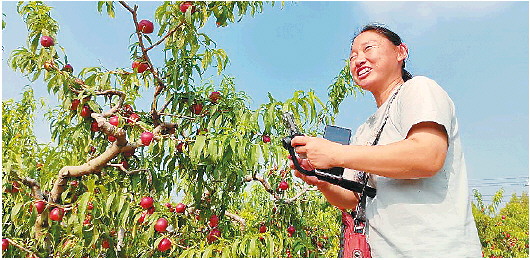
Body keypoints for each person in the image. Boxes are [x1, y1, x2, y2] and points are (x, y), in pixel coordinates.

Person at [289, 24, 482, 257]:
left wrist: (336, 153)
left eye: (368, 48)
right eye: (352, 57)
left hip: (437, 250)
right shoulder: (365, 129)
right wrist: (320, 181)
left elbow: (428, 156)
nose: (358, 60)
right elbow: (352, 198)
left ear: (401, 52)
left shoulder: (418, 89)